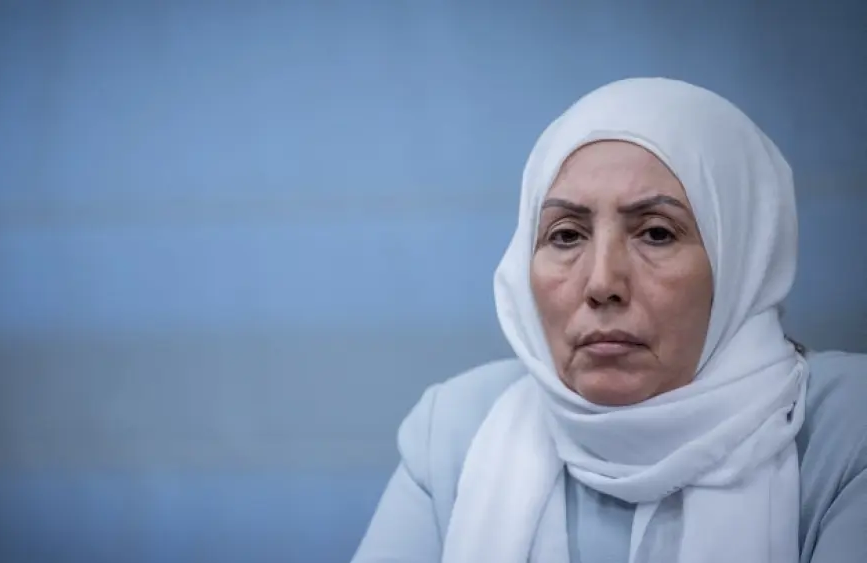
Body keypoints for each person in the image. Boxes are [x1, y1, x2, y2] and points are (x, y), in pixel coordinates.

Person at [351, 78, 867, 563]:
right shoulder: (455, 431)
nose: (602, 283)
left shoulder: (846, 427)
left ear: (742, 262)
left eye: (657, 233)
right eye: (566, 235)